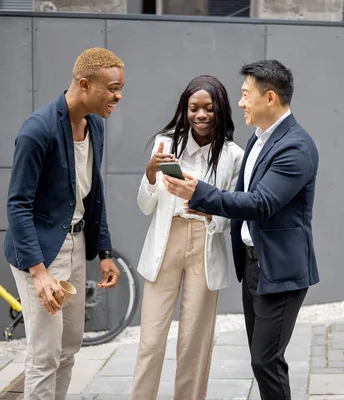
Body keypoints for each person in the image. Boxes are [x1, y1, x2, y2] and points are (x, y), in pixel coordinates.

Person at [163, 60, 319, 400]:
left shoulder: (296, 147)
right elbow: (243, 195)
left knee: (266, 361)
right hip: (253, 266)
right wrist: (202, 204)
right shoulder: (259, 139)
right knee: (261, 360)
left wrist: (199, 193)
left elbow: (261, 203)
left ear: (271, 98)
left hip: (280, 270)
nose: (240, 103)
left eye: (246, 94)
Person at [4, 47, 124, 400]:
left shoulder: (95, 126)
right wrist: (39, 273)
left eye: (121, 88)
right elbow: (17, 205)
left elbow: (93, 194)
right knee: (44, 355)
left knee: (70, 347)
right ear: (84, 84)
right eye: (113, 88)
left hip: (76, 245)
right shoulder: (37, 130)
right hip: (40, 253)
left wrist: (104, 251)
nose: (118, 96)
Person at [130, 75, 244, 400]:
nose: (201, 115)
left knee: (194, 342)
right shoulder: (165, 144)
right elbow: (145, 205)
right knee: (151, 340)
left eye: (209, 108)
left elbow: (233, 211)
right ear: (185, 109)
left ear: (220, 110)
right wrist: (150, 174)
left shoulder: (234, 155)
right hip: (165, 243)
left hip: (205, 244)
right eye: (194, 108)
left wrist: (208, 210)